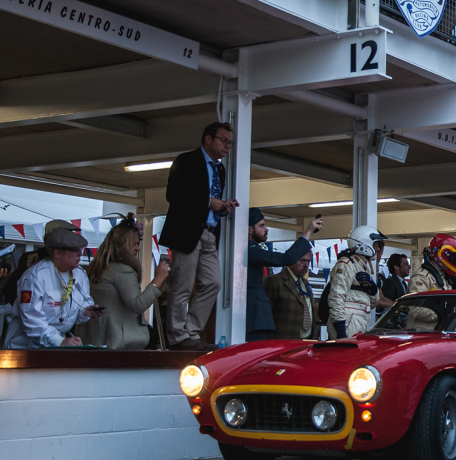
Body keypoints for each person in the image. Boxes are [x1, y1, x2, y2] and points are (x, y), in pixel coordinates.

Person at [159, 122, 238, 350]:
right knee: (182, 285)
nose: (228, 146)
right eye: (224, 140)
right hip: (187, 232)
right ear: (208, 139)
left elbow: (209, 202)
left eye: (229, 142)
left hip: (210, 233)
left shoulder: (219, 169)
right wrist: (208, 201)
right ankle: (177, 337)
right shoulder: (186, 160)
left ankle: (190, 332)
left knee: (213, 282)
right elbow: (173, 193)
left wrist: (222, 206)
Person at [79, 215, 169, 350]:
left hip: (95, 338)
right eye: (134, 244)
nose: (138, 248)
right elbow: (138, 305)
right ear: (121, 245)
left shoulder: (99, 268)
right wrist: (158, 280)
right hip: (116, 342)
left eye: (138, 244)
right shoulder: (122, 271)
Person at [3, 228, 103, 348]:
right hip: (25, 346)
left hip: (56, 344)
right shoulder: (35, 276)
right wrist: (58, 340)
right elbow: (31, 318)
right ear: (58, 253)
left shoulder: (80, 274)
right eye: (75, 250)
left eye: (81, 249)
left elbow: (83, 302)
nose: (80, 254)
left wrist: (85, 311)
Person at [246, 209, 322, 341]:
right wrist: (307, 232)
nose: (267, 229)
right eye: (261, 226)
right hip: (256, 322)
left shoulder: (251, 250)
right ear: (249, 230)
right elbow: (288, 258)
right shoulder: (252, 251)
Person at [326, 226, 388, 339]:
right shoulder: (346, 265)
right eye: (376, 245)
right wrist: (340, 330)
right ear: (363, 244)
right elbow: (336, 297)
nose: (378, 249)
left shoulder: (363, 267)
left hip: (357, 322)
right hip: (347, 323)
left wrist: (373, 288)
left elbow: (373, 303)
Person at [404, 233, 456, 332]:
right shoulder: (421, 277)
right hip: (419, 335)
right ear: (442, 255)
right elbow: (416, 308)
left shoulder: (444, 277)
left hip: (436, 332)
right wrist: (441, 315)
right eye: (453, 258)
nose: (455, 262)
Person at [264, 249, 318, 340]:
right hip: (283, 342)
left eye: (308, 261)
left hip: (307, 341)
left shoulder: (306, 284)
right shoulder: (275, 282)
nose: (306, 265)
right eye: (302, 261)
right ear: (291, 260)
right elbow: (265, 317)